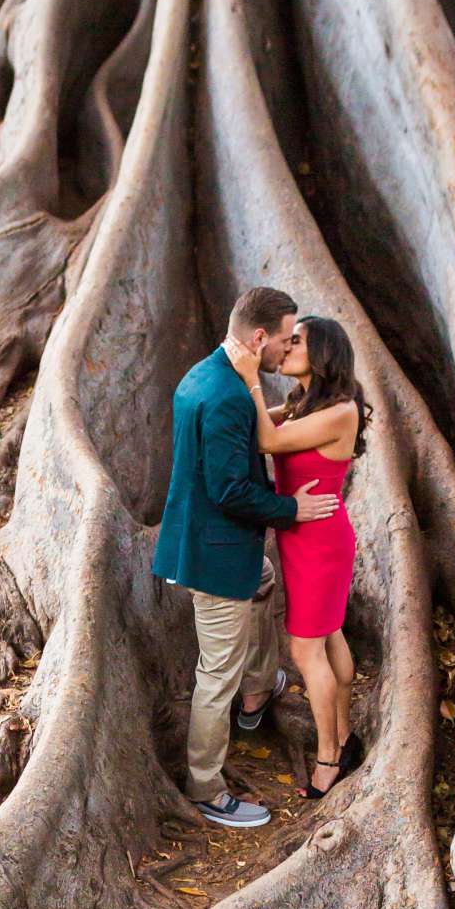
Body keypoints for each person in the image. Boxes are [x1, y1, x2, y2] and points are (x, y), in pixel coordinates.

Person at [153, 286, 338, 828]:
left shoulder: (204, 374)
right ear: (259, 338)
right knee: (216, 675)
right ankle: (206, 787)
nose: (288, 349)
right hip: (216, 553)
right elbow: (231, 488)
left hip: (209, 540)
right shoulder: (230, 397)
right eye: (285, 339)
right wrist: (291, 508)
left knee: (264, 583)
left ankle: (261, 689)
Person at [227, 314, 369, 798]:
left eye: (298, 342)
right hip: (302, 537)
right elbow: (262, 422)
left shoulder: (342, 411)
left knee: (306, 650)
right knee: (328, 638)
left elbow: (267, 440)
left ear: (324, 352)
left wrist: (250, 377)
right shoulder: (306, 403)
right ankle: (345, 736)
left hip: (321, 543)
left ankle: (329, 756)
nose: (286, 348)